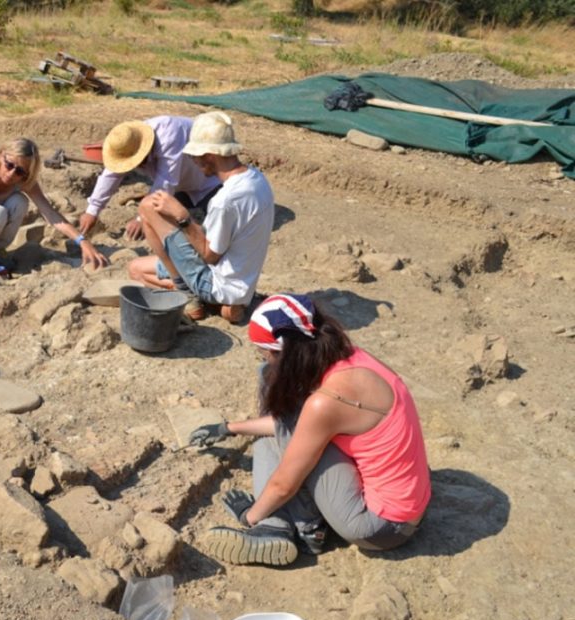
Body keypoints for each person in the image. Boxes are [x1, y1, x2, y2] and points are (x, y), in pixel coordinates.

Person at [190, 294, 431, 566]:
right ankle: (297, 526)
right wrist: (229, 428)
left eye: (265, 352)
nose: (265, 359)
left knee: (279, 422)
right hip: (410, 506)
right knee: (276, 414)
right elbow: (286, 425)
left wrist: (251, 515)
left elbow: (284, 483)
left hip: (380, 527)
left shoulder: (326, 403)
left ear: (287, 352)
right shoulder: (349, 357)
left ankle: (285, 526)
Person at [126, 111, 274, 323]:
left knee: (148, 206)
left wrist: (183, 217)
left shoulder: (226, 200)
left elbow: (210, 255)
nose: (193, 162)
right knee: (136, 270)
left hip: (216, 283)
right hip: (242, 281)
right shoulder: (257, 180)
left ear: (209, 156)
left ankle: (189, 297)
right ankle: (223, 305)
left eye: (195, 156)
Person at [0, 138, 108, 283]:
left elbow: (51, 214)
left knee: (20, 202)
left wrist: (83, 241)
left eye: (20, 171)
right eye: (9, 165)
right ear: (1, 155)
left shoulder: (25, 182)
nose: (12, 173)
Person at [79, 116, 223, 239]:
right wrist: (92, 211)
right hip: (182, 186)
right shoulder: (128, 143)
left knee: (208, 225)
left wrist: (141, 218)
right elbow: (111, 175)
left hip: (210, 182)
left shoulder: (169, 135)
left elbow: (166, 183)